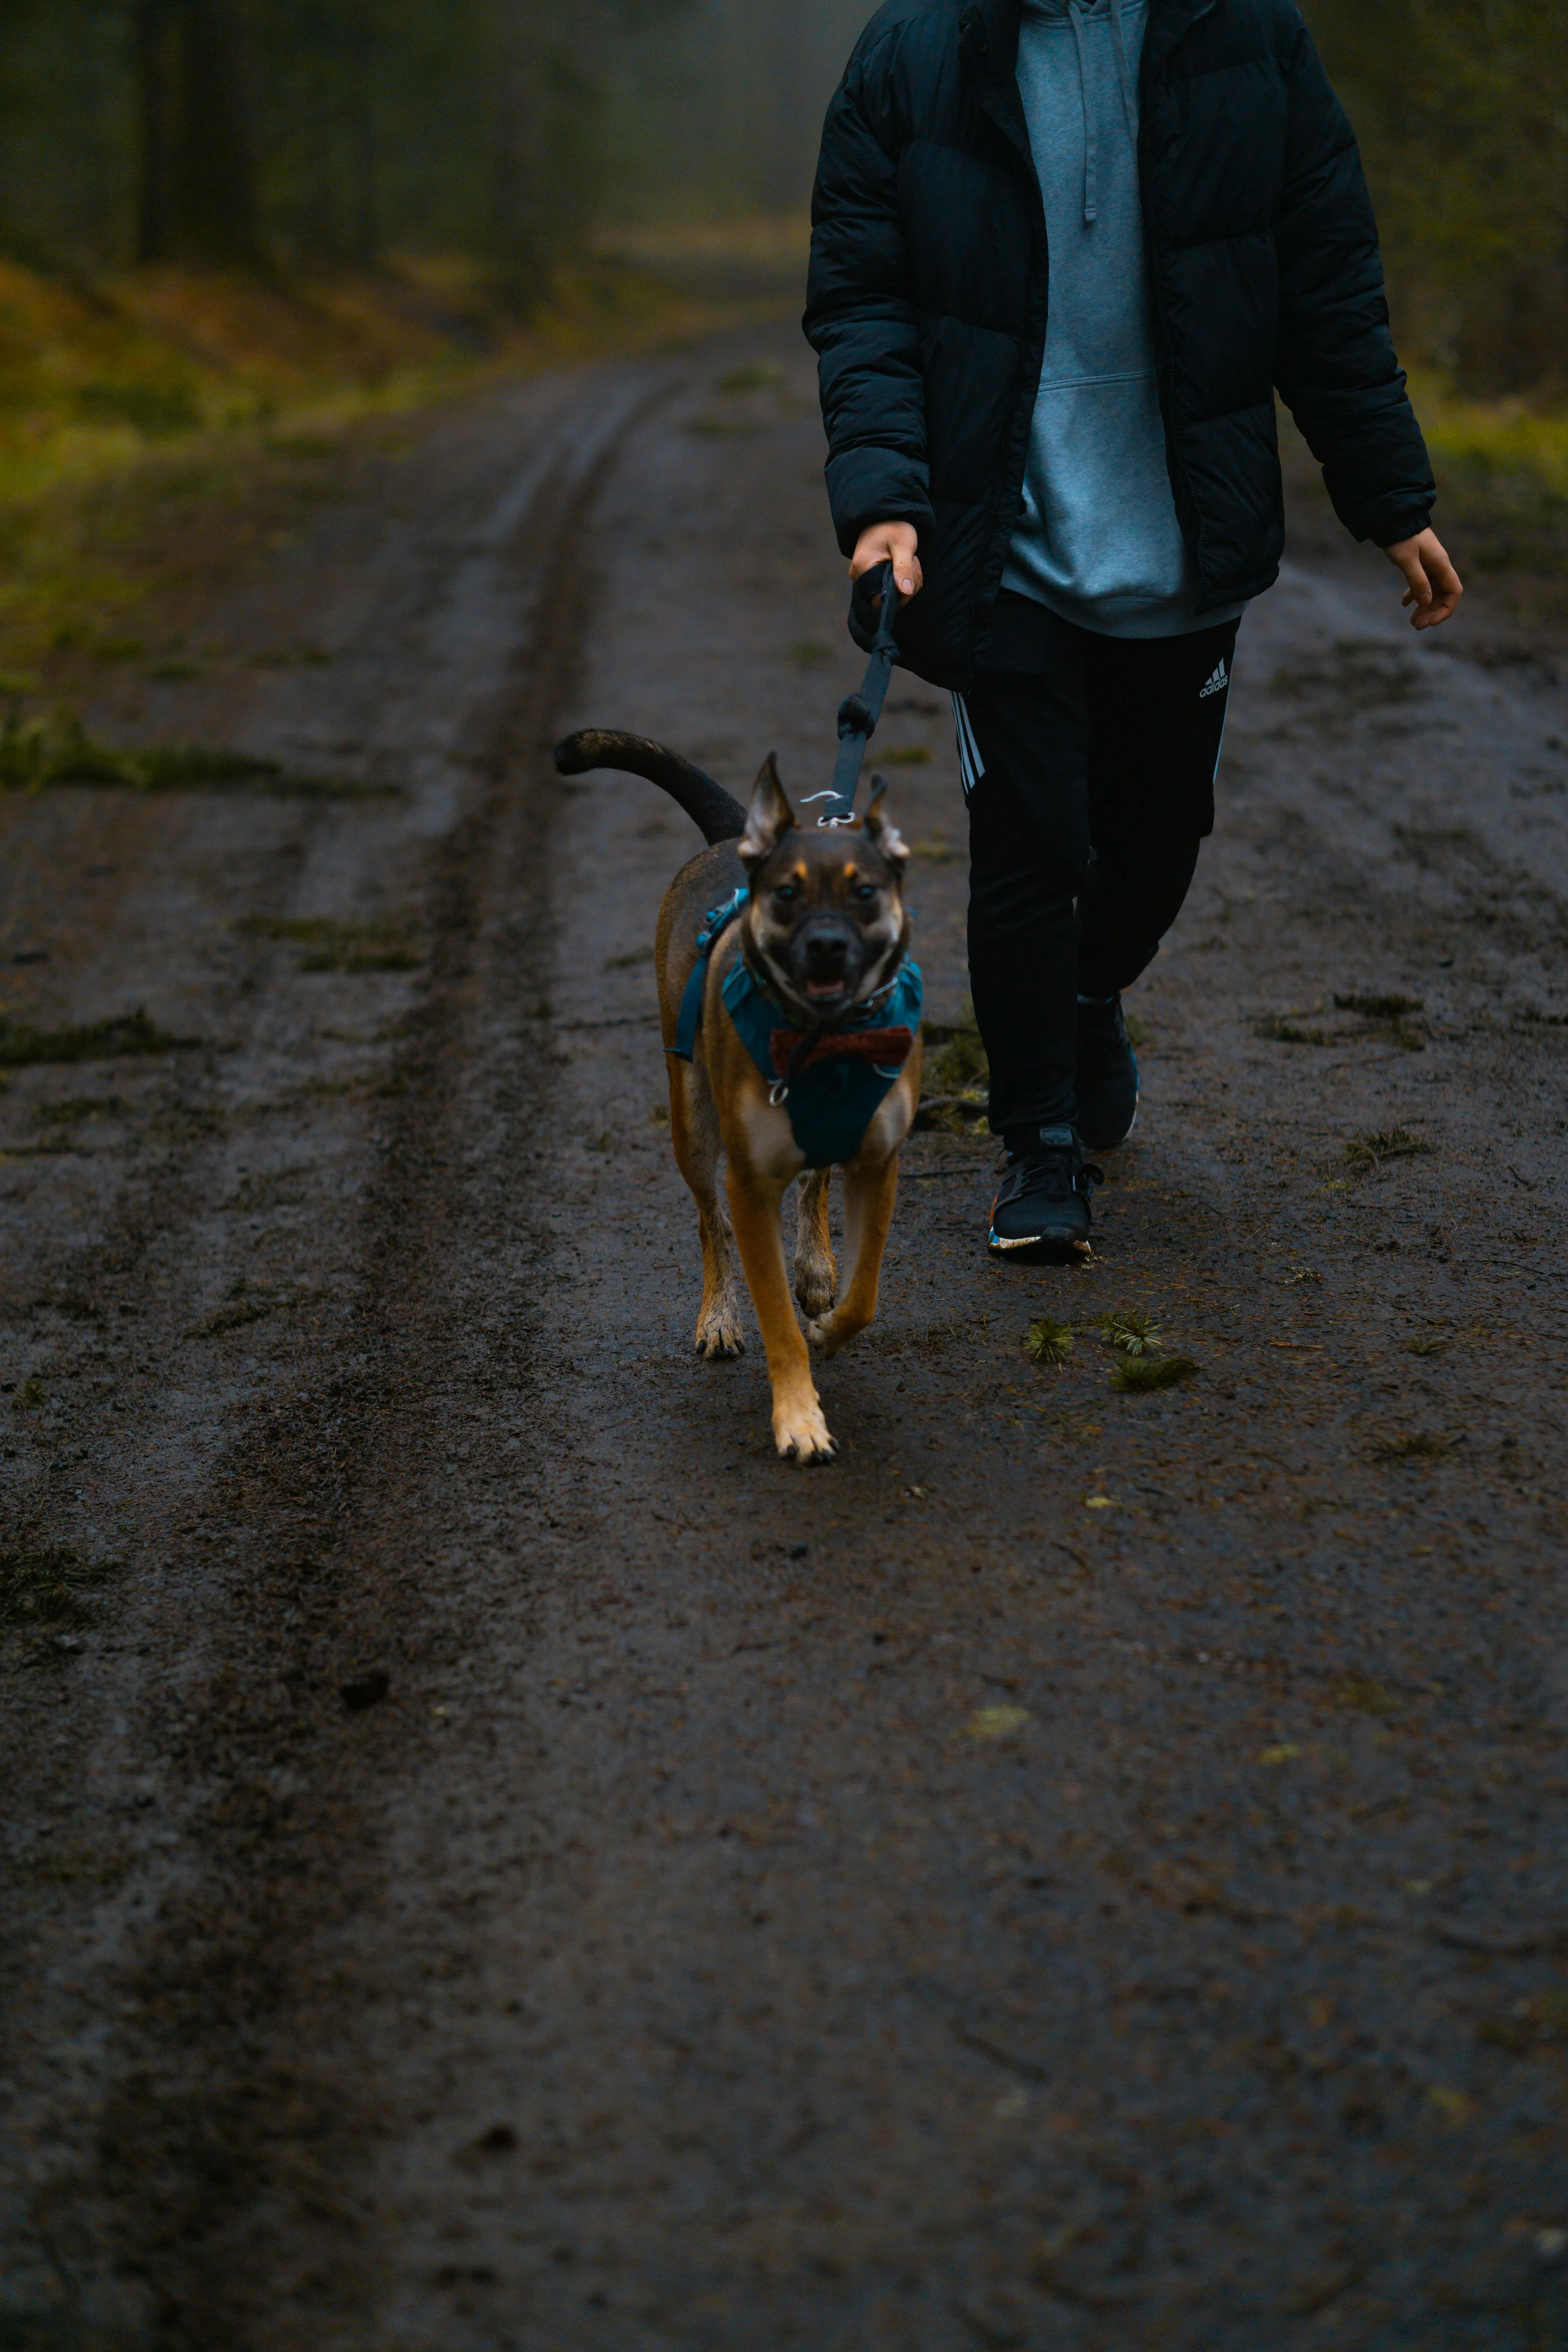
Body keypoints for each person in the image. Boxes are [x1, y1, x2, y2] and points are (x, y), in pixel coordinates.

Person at [804, 0, 1463, 1263]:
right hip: (1004, 535)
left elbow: (1324, 276)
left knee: (1157, 846)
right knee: (1029, 840)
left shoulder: (1249, 34)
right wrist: (887, 499)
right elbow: (864, 298)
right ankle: (1038, 1145)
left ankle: (1089, 989)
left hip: (1183, 533)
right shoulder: (915, 51)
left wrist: (1391, 499)